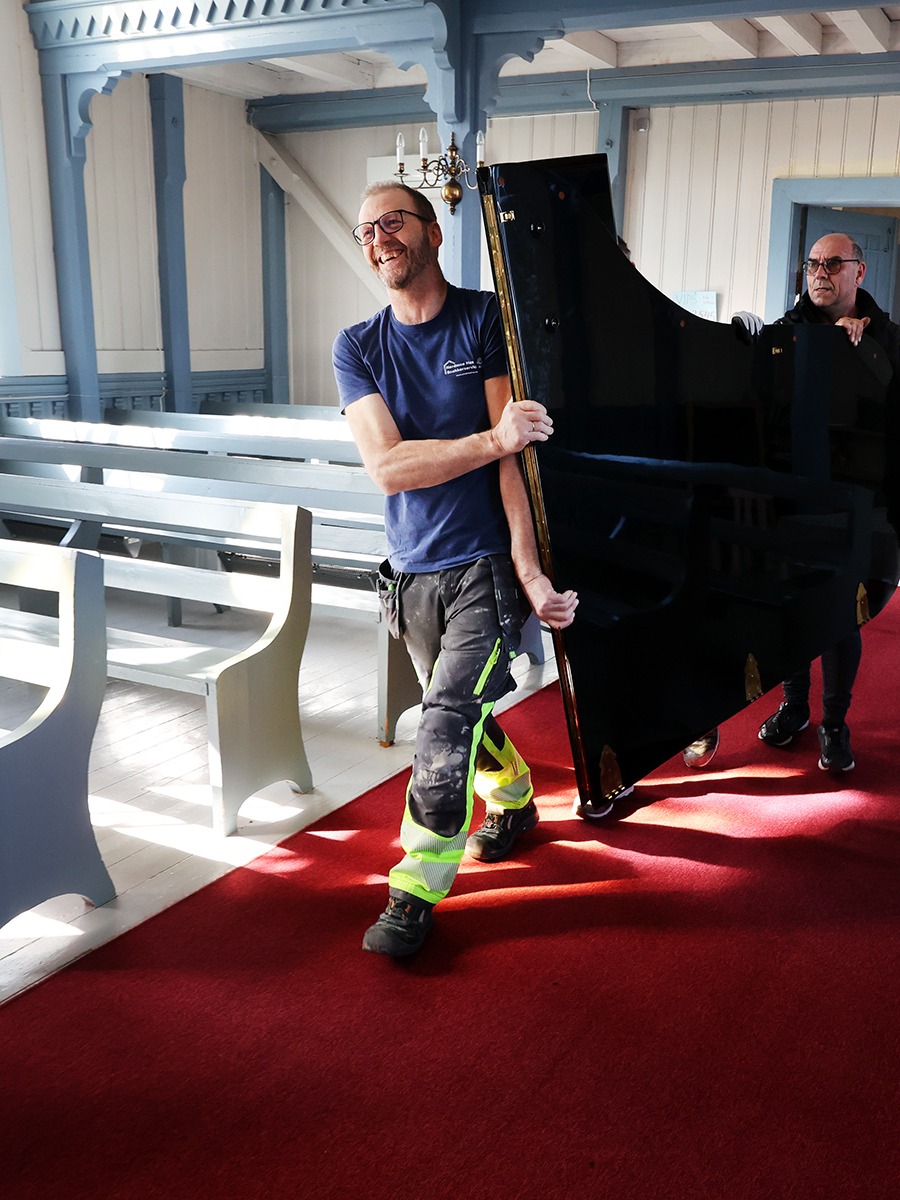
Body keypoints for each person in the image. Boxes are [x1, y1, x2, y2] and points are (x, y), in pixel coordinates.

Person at [335, 181, 577, 958]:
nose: (380, 239)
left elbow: (518, 462)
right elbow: (387, 466)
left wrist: (530, 571)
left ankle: (415, 886)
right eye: (367, 230)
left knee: (441, 720)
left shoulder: (483, 320)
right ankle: (515, 798)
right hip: (409, 570)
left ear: (434, 233)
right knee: (463, 711)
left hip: (482, 567)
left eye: (394, 221)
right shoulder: (357, 345)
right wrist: (487, 441)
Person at [683, 232, 900, 774]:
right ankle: (794, 706)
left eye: (833, 264)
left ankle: (834, 723)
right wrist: (742, 337)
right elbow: (746, 401)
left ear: (859, 273)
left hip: (862, 510)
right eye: (813, 264)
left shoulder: (891, 344)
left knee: (842, 617)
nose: (820, 272)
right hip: (790, 506)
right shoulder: (782, 336)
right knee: (790, 611)